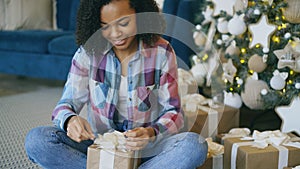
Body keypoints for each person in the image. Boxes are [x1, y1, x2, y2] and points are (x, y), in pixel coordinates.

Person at [25, 0, 208, 168]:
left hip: (148, 149)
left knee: (194, 146)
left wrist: (150, 133)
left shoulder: (161, 51)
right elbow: (65, 105)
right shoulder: (88, 53)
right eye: (105, 27)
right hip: (100, 145)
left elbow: (174, 113)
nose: (115, 34)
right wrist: (70, 121)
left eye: (124, 23)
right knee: (37, 140)